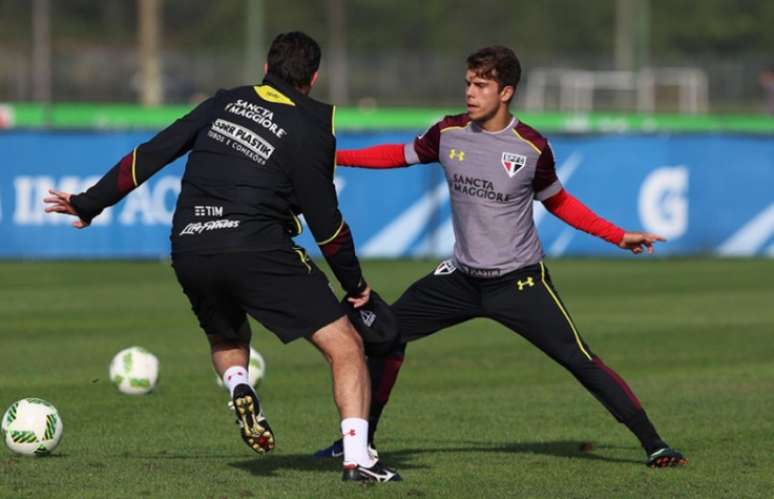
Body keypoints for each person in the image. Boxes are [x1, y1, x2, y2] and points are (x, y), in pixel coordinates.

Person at [43, 31, 400, 483]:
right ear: (312, 78)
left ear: (266, 68)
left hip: (190, 243)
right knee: (345, 346)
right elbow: (326, 225)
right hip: (256, 244)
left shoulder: (224, 102)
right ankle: (358, 459)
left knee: (227, 338)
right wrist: (355, 287)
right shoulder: (310, 126)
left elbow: (149, 154)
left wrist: (90, 202)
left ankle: (239, 385)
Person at [315, 45, 687, 468]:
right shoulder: (448, 132)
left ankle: (654, 443)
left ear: (506, 91)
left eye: (481, 85)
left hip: (518, 282)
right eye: (468, 83)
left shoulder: (531, 148)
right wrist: (331, 157)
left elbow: (561, 202)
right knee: (385, 335)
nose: (470, 93)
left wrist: (618, 236)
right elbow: (396, 155)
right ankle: (359, 444)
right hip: (460, 279)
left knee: (578, 359)